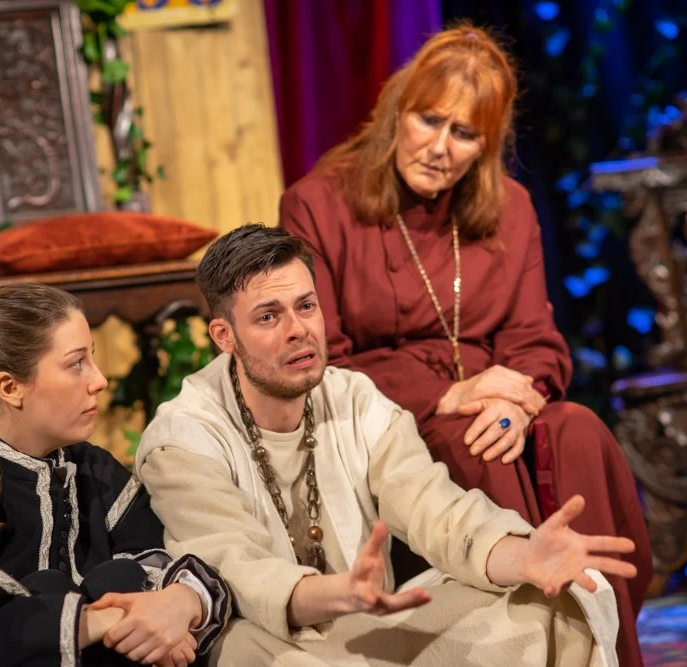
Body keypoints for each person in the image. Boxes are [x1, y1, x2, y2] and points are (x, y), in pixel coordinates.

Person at [278, 23, 651, 666]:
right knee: (477, 445)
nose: (439, 148)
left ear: (486, 145)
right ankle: (531, 647)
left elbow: (536, 339)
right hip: (387, 414)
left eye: (464, 134)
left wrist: (516, 400)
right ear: (398, 110)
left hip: (496, 403)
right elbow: (323, 358)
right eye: (429, 120)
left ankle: (607, 650)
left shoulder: (511, 207)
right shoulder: (317, 203)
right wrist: (449, 394)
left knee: (578, 431)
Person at [135, 224, 637, 666]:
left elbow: (440, 515)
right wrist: (340, 593)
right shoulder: (182, 439)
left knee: (549, 605)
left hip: (369, 622)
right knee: (243, 650)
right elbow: (237, 571)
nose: (298, 331)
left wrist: (523, 556)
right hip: (272, 641)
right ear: (224, 335)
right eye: (268, 317)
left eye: (306, 306)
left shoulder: (357, 400)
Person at [0, 284, 231, 667]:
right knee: (53, 586)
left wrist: (177, 605)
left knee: (117, 577)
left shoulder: (95, 471)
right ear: (10, 388)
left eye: (92, 358)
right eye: (76, 363)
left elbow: (158, 557)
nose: (99, 380)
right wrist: (103, 621)